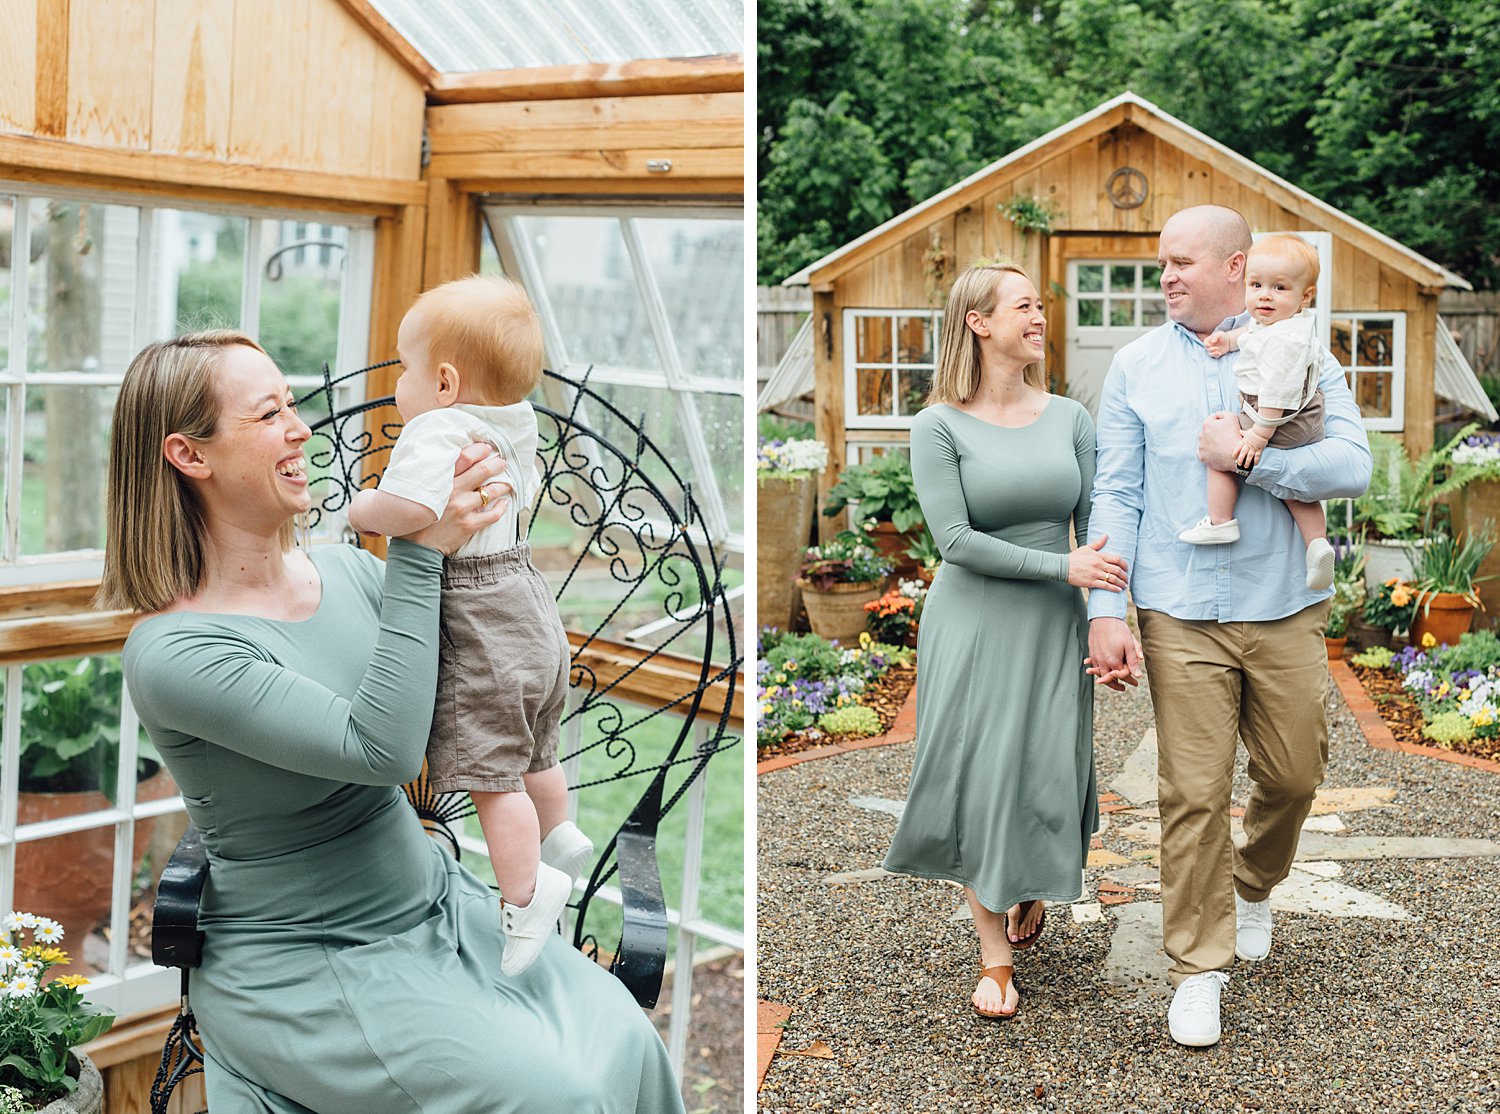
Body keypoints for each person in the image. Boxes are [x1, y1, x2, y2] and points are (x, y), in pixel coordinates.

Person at [99, 331, 685, 1113]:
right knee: (557, 1098)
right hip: (310, 967)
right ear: (189, 455)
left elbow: (473, 674)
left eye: (293, 405)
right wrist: (420, 546)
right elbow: (383, 746)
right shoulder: (175, 651)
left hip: (440, 905)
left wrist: (481, 535)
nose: (300, 428)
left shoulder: (344, 570)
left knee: (628, 1040)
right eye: (269, 413)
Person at [1086, 206, 1372, 1048]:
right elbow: (1118, 494)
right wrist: (1108, 609)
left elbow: (1353, 463)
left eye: (1181, 262)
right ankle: (1197, 968)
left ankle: (1253, 884)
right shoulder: (1135, 366)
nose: (1166, 277)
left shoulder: (1305, 350)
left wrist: (1249, 457)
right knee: (1194, 791)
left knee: (1292, 775)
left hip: (1282, 605)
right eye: (1162, 263)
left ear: (1234, 266)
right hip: (1179, 610)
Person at [882, 262, 1132, 1019]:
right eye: (1024, 305)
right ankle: (993, 955)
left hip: (1055, 622)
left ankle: (1026, 880)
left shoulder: (1070, 418)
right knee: (981, 773)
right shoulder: (938, 426)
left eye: (1041, 306)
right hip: (975, 622)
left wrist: (1107, 617)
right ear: (979, 322)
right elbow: (953, 540)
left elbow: (1097, 526)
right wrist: (1065, 566)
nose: (1040, 316)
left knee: (1048, 769)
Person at [346, 275, 590, 977]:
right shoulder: (517, 421)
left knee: (491, 773)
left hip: (479, 611)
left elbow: (416, 510)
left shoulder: (437, 428)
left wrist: (366, 508)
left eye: (404, 368)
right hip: (529, 599)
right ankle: (561, 832)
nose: (399, 385)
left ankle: (527, 896)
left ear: (445, 381)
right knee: (535, 743)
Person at [1177, 234, 1337, 591]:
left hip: (1278, 417)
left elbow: (1278, 390)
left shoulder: (1285, 341)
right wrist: (1230, 341)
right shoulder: (1280, 325)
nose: (1265, 295)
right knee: (1296, 492)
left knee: (1220, 434)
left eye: (1279, 287)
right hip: (1303, 420)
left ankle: (1220, 521)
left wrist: (1257, 435)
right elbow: (1252, 334)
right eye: (1257, 285)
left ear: (1305, 297)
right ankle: (1317, 545)